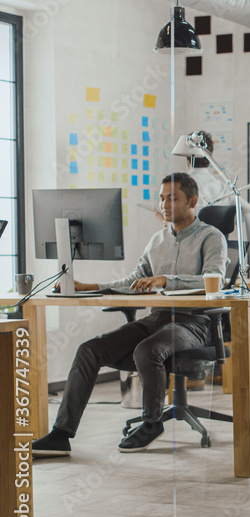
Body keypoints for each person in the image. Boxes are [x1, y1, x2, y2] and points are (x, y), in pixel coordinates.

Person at [31, 173, 229, 456]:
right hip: (157, 318)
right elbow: (134, 280)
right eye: (161, 198)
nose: (164, 204)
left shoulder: (212, 237)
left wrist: (165, 279)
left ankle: (152, 423)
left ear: (192, 201)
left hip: (195, 322)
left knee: (148, 350)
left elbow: (214, 280)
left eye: (172, 198)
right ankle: (61, 434)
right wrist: (91, 286)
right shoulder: (157, 240)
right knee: (89, 350)